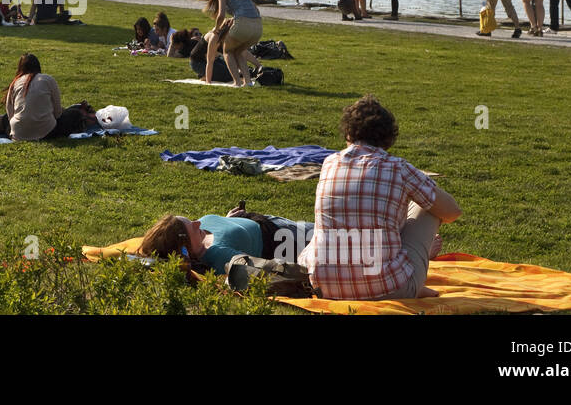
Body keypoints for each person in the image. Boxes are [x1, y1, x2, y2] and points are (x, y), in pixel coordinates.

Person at [297, 95, 462, 300]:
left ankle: (407, 276)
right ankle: (411, 280)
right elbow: (452, 211)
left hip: (322, 285)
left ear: (348, 133)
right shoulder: (398, 168)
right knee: (427, 208)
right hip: (387, 288)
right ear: (388, 137)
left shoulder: (329, 163)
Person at [140, 207, 314, 272]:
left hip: (267, 221)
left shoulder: (198, 239)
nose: (198, 222)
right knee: (335, 231)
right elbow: (258, 268)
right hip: (283, 237)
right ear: (185, 247)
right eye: (192, 226)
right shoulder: (218, 255)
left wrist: (227, 219)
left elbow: (223, 233)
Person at [199, 0, 263, 87]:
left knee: (227, 50)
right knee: (238, 52)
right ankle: (248, 82)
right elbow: (256, 10)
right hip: (258, 27)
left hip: (243, 25)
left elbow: (221, 15)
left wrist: (216, 29)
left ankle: (237, 82)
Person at [4, 54, 66, 141]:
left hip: (18, 133)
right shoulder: (48, 79)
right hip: (46, 131)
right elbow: (58, 112)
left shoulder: (15, 82)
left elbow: (9, 111)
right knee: (74, 114)